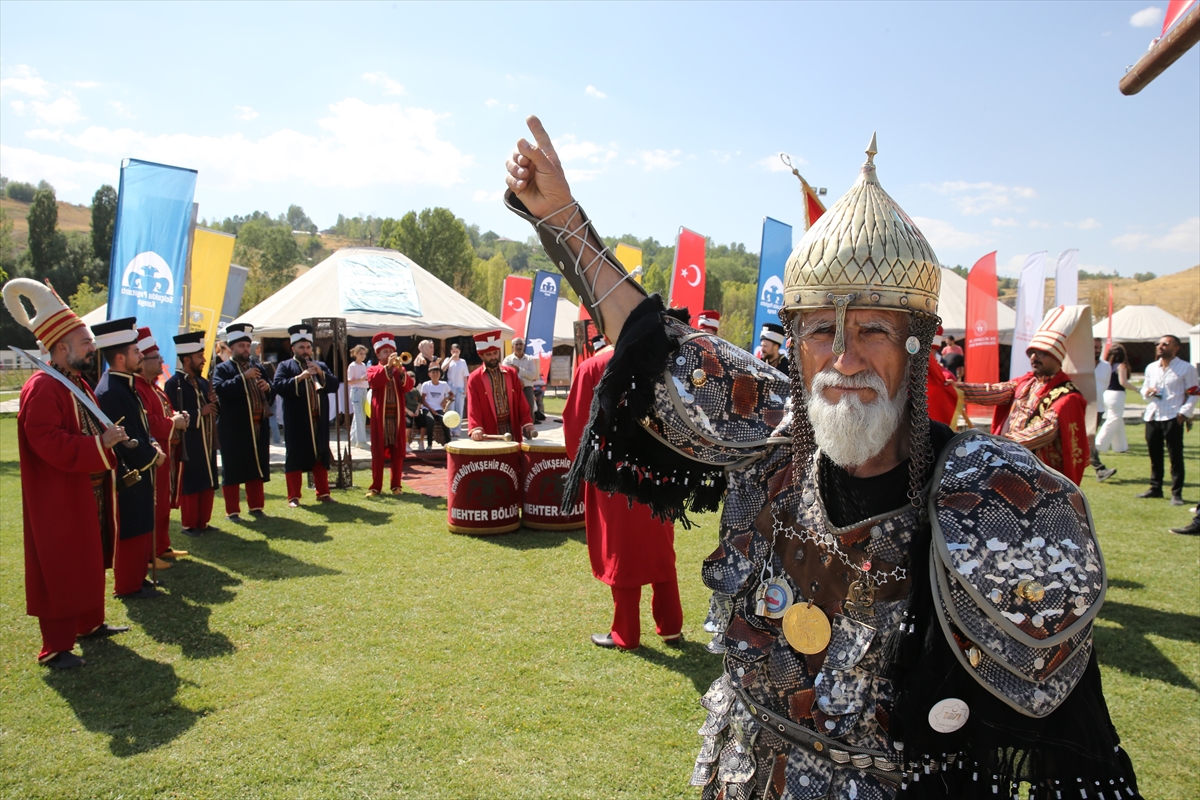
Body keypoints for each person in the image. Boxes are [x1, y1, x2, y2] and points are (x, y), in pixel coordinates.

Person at [504, 117, 1139, 797]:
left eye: (871, 329)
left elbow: (1071, 755)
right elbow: (656, 343)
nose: (842, 358)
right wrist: (562, 217)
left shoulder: (1000, 500)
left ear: (915, 346)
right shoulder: (768, 442)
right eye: (818, 333)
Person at [3, 278, 130, 669]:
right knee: (60, 563)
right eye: (86, 342)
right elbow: (46, 439)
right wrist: (99, 445)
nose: (93, 348)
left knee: (87, 559)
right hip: (58, 492)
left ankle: (90, 624)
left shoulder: (75, 383)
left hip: (86, 486)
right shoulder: (43, 386)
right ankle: (56, 646)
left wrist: (107, 441)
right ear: (62, 348)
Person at [564, 340, 682, 650]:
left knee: (622, 550)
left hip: (614, 469)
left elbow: (577, 423)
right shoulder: (659, 360)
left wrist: (584, 464)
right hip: (657, 467)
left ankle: (625, 633)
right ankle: (671, 626)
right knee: (660, 548)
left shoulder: (592, 367)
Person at [958, 306, 1093, 486]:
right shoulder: (1026, 382)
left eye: (1042, 353)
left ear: (1057, 357)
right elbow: (992, 392)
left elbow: (1043, 431)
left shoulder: (1068, 397)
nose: (1034, 357)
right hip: (1012, 465)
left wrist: (995, 445)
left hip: (1042, 477)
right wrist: (953, 389)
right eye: (1031, 352)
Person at [93, 317, 168, 599]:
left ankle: (137, 577)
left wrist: (151, 444)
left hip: (142, 465)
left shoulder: (123, 384)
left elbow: (140, 428)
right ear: (121, 357)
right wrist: (153, 455)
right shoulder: (112, 390)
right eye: (137, 352)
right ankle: (127, 585)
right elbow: (124, 439)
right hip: (129, 471)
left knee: (141, 523)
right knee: (131, 526)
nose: (142, 355)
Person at [133, 327, 188, 565]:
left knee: (164, 502)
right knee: (154, 504)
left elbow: (162, 413)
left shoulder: (153, 386)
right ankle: (151, 553)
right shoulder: (137, 388)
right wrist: (172, 422)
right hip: (153, 456)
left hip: (167, 453)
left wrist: (177, 416)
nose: (161, 361)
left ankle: (163, 545)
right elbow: (146, 421)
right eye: (157, 358)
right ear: (142, 361)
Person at [272, 324, 340, 507]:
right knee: (294, 456)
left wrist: (320, 372)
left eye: (308, 347)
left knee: (320, 454)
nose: (305, 350)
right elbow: (278, 386)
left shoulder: (321, 365)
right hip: (297, 421)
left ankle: (323, 493)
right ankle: (293, 497)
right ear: (293, 348)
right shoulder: (285, 366)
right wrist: (300, 378)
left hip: (319, 419)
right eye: (301, 347)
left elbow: (334, 385)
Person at [212, 323, 274, 520]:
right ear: (232, 348)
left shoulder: (258, 367)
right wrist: (242, 377)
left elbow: (271, 394)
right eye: (241, 346)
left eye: (247, 346)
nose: (245, 350)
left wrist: (268, 388)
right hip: (234, 428)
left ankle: (256, 507)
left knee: (256, 465)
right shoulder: (223, 368)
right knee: (233, 468)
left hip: (258, 425)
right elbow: (220, 390)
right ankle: (233, 511)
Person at [165, 331, 221, 533]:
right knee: (192, 482)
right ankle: (190, 524)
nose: (203, 360)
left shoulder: (203, 382)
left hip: (207, 441)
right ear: (187, 359)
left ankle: (203, 522)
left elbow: (214, 410)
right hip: (190, 441)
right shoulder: (174, 384)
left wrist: (215, 403)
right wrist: (200, 412)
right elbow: (172, 414)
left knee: (208, 481)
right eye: (199, 357)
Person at [1138, 334, 1199, 505]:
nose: (1161, 346)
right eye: (1159, 343)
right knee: (1155, 454)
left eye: (1165, 344)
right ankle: (1155, 488)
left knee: (1175, 456)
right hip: (1153, 414)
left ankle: (1176, 493)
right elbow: (1144, 388)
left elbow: (1194, 393)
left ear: (1176, 348)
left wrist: (1183, 414)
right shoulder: (1151, 367)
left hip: (1173, 415)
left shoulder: (1186, 368)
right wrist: (1147, 392)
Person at [365, 332, 413, 496]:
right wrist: (387, 367)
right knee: (378, 453)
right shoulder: (373, 369)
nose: (389, 355)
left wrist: (400, 372)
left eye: (391, 351)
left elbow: (408, 387)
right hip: (381, 418)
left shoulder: (400, 369)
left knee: (397, 452)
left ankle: (396, 486)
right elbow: (374, 381)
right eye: (385, 352)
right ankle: (375, 487)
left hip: (397, 417)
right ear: (378, 354)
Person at [466, 330, 534, 442]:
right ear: (481, 356)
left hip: (511, 425)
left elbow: (521, 400)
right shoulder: (474, 378)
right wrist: (476, 428)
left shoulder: (511, 373)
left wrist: (527, 422)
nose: (493, 357)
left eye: (495, 353)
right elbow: (473, 405)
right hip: (489, 429)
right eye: (488, 354)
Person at [1095, 343, 1131, 458]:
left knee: (1117, 420)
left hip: (1107, 394)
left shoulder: (1107, 366)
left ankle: (1120, 446)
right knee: (1113, 419)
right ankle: (1099, 444)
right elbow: (1123, 382)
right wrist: (1137, 389)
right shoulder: (1121, 366)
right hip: (1117, 394)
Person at [1089, 339, 1117, 482]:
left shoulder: (1106, 366)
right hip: (1081, 406)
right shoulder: (1079, 363)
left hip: (1098, 407)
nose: (1097, 350)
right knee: (1088, 439)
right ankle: (1100, 469)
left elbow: (1105, 385)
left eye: (1099, 347)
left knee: (1088, 439)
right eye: (1094, 347)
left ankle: (1098, 469)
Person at [502, 336, 540, 421]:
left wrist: (519, 370)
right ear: (513, 347)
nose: (519, 346)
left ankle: (529, 431)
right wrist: (518, 380)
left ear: (524, 346)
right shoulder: (507, 360)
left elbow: (532, 375)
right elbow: (505, 374)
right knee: (514, 411)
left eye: (520, 344)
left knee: (528, 411)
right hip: (513, 389)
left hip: (527, 389)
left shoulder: (529, 359)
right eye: (517, 344)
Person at [416, 364, 452, 450]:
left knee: (445, 421)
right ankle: (429, 444)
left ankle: (448, 443)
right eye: (433, 372)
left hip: (439, 408)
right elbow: (422, 400)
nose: (435, 374)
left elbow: (452, 395)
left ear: (440, 374)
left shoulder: (444, 384)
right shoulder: (426, 385)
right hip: (427, 408)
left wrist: (445, 399)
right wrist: (431, 409)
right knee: (430, 421)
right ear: (429, 374)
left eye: (437, 372)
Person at [441, 342, 470, 432]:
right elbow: (443, 368)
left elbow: (465, 376)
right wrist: (451, 359)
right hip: (450, 387)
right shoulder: (448, 360)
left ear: (459, 352)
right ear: (451, 351)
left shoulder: (462, 362)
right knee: (451, 408)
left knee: (459, 408)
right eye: (453, 351)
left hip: (460, 387)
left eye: (457, 351)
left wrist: (466, 389)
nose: (455, 353)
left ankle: (457, 429)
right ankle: (450, 429)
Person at [347, 344, 370, 447]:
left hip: (364, 389)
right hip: (356, 390)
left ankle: (353, 439)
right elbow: (349, 381)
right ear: (355, 354)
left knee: (360, 415)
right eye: (361, 354)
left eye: (364, 354)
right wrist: (360, 379)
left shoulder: (364, 365)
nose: (363, 356)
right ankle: (361, 441)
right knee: (359, 415)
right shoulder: (352, 366)